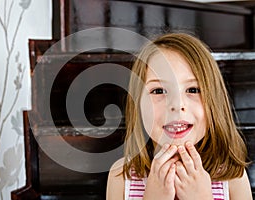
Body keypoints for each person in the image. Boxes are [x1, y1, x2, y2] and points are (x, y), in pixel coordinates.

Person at [106, 32, 253, 200]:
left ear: (214, 103)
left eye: (193, 90)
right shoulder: (121, 176)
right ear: (137, 105)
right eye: (159, 91)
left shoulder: (232, 178)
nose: (177, 105)